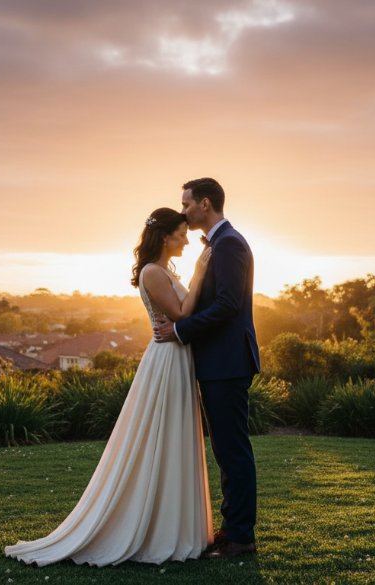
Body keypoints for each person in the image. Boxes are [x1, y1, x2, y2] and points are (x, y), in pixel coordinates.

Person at [4, 207, 214, 567]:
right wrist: (199, 274)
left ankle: (175, 524)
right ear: (165, 236)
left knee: (174, 434)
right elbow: (180, 313)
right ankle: (152, 526)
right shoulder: (152, 272)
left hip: (177, 357)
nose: (185, 239)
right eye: (181, 233)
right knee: (159, 435)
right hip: (166, 360)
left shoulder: (162, 270)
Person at [153, 177, 260, 559]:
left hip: (227, 362)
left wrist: (180, 329)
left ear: (205, 203)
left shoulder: (229, 244)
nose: (183, 211)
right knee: (226, 451)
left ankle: (241, 538)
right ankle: (234, 528)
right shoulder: (219, 244)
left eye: (187, 204)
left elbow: (229, 304)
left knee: (232, 451)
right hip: (218, 361)